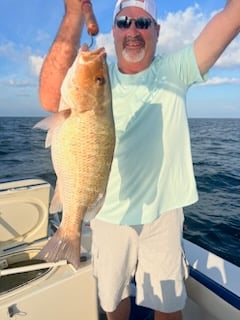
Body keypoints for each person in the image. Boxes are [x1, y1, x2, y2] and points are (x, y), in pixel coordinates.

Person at [39, 0, 240, 319]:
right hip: (106, 214)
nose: (133, 30)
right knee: (112, 301)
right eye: (123, 22)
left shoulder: (175, 70)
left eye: (143, 23)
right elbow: (50, 97)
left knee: (168, 306)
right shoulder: (97, 77)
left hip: (162, 215)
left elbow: (231, 17)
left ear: (157, 32)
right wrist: (74, 12)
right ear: (114, 30)